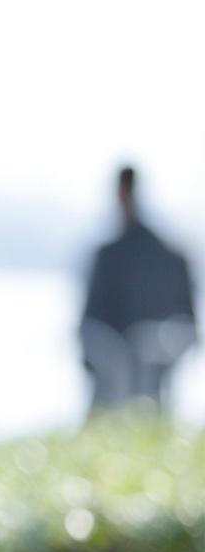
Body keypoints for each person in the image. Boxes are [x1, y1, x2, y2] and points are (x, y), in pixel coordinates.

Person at [81, 166, 196, 415]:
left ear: (121, 193)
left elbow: (89, 318)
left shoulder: (110, 255)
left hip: (141, 365)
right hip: (120, 365)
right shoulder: (171, 254)